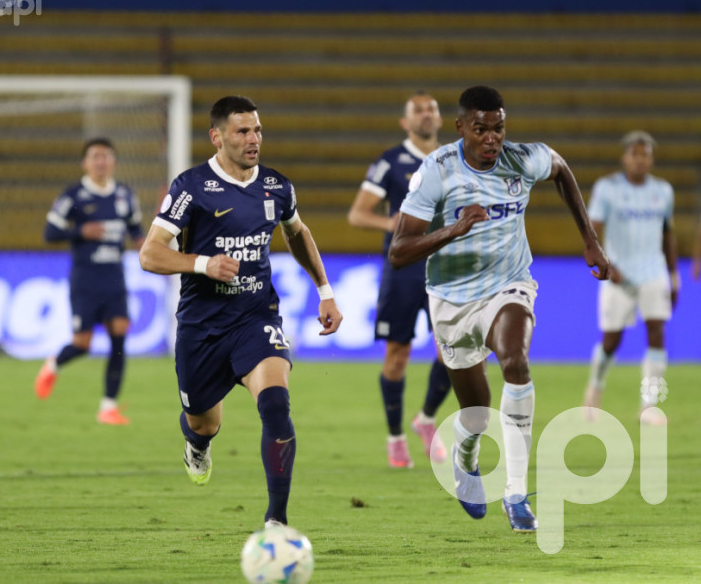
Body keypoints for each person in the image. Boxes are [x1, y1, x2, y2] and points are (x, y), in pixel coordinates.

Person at [388, 86, 609, 533]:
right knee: (476, 411)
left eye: (499, 128)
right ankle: (465, 456)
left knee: (515, 359)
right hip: (451, 299)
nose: (492, 138)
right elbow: (399, 251)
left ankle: (514, 492)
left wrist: (589, 237)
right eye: (481, 129)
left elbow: (561, 169)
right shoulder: (437, 170)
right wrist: (455, 228)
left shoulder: (522, 159)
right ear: (461, 128)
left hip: (509, 284)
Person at [138, 96, 343, 528]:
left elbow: (298, 233)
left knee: (275, 405)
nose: (254, 140)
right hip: (202, 327)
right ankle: (197, 443)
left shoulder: (277, 187)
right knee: (203, 422)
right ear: (217, 137)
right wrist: (202, 263)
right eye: (242, 131)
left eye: (258, 130)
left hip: (256, 317)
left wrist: (324, 289)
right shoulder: (190, 187)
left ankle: (277, 521)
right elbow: (150, 254)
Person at [347, 92, 450, 468]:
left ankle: (425, 418)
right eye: (418, 111)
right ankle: (395, 439)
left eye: (432, 109)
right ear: (405, 123)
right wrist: (389, 223)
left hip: (445, 267)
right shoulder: (391, 162)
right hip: (404, 269)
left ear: (440, 119)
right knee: (397, 355)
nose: (426, 115)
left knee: (454, 354)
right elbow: (358, 214)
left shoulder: (453, 159)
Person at [35, 137, 144, 426]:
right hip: (85, 280)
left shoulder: (124, 195)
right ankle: (53, 364)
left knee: (119, 336)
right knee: (82, 345)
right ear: (85, 163)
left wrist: (143, 243)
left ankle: (108, 407)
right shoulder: (73, 196)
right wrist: (81, 231)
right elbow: (50, 233)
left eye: (106, 156)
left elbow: (135, 227)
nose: (101, 161)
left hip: (115, 278)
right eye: (95, 156)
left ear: (113, 162)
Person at [582, 131, 677, 426]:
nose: (640, 160)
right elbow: (592, 228)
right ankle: (594, 392)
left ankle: (649, 405)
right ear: (625, 157)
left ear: (651, 159)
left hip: (653, 272)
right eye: (634, 154)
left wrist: (673, 275)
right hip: (618, 275)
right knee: (611, 341)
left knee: (657, 335)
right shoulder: (607, 188)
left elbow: (667, 233)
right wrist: (606, 263)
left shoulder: (663, 191)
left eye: (645, 154)